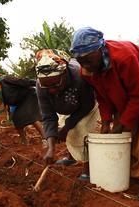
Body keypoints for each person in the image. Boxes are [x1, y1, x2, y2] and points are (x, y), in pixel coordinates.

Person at [70, 27, 139, 200]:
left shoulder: (125, 57)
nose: (85, 66)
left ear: (100, 49)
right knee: (122, 129)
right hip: (119, 88)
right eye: (80, 61)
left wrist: (122, 124)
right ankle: (128, 169)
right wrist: (106, 122)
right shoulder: (87, 71)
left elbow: (138, 95)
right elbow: (102, 97)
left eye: (87, 60)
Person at [35, 49, 97, 180]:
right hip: (66, 106)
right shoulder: (41, 86)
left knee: (81, 130)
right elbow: (48, 116)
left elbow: (87, 106)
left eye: (56, 84)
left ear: (64, 73)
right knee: (64, 127)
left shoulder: (80, 77)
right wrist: (51, 149)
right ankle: (70, 158)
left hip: (87, 104)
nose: (51, 90)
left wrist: (68, 127)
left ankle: (88, 168)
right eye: (47, 86)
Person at [0, 71, 45, 144]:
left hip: (29, 96)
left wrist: (40, 83)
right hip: (19, 102)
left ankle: (45, 138)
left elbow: (23, 81)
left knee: (30, 116)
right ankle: (24, 141)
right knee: (16, 119)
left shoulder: (6, 79)